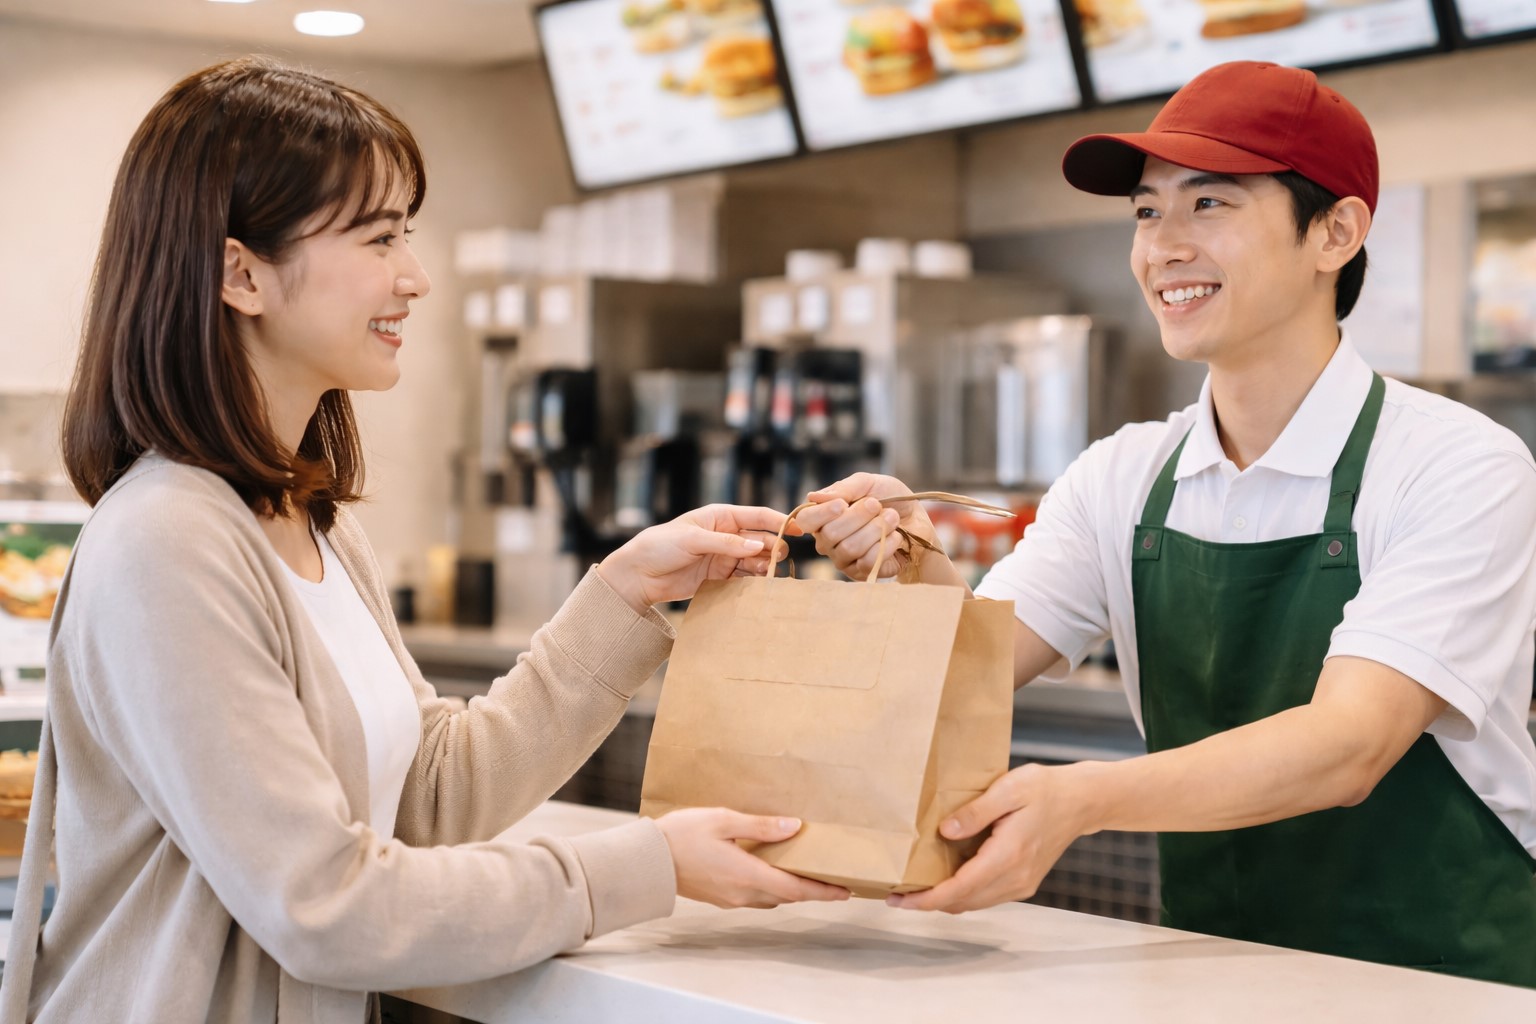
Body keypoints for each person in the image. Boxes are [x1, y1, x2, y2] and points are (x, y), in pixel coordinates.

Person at [0, 56, 848, 1023]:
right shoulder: (165, 543)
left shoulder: (309, 523)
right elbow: (322, 906)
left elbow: (427, 802)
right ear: (241, 272)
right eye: (379, 237)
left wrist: (624, 597)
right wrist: (647, 865)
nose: (416, 275)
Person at [799, 60, 1536, 986]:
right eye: (1147, 212)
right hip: (1208, 968)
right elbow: (974, 673)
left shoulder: (1458, 465)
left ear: (1336, 233)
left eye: (1210, 205)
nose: (1163, 248)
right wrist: (910, 558)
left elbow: (1350, 746)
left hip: (1443, 984)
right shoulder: (1123, 475)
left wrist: (1079, 800)